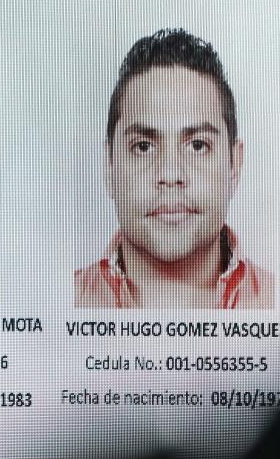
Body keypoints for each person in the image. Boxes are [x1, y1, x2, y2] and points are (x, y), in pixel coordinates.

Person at [75, 28, 274, 309]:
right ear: (109, 166)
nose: (170, 174)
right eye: (143, 147)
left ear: (234, 165)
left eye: (197, 146)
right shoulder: (52, 304)